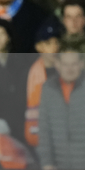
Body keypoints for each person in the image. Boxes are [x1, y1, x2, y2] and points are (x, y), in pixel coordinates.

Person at [25, 20, 61, 148]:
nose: (54, 48)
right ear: (39, 47)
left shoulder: (67, 69)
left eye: (56, 42)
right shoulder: (31, 73)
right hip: (40, 138)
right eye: (48, 43)